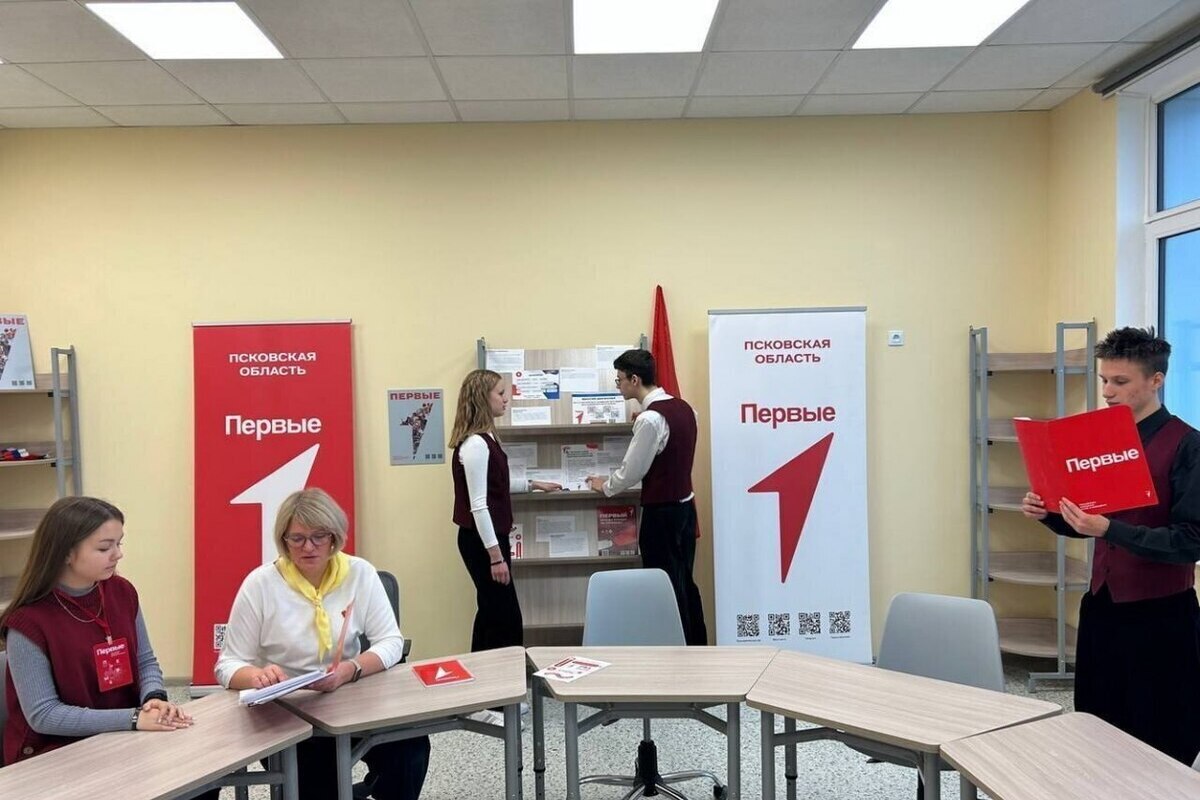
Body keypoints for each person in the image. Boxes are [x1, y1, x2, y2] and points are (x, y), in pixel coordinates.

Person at [1021, 326, 1200, 765]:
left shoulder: (1187, 444)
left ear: (1156, 380)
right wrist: (1050, 515)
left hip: (1162, 614)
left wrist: (1109, 530)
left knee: (1161, 735)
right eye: (1104, 380)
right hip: (1102, 607)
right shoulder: (1100, 438)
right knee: (1097, 726)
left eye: (1120, 381)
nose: (1107, 391)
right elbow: (1089, 524)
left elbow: (1190, 541)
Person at [215, 488, 429, 800]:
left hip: (349, 701)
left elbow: (391, 642)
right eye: (297, 538)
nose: (308, 547)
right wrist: (258, 676)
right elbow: (227, 665)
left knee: (410, 747)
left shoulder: (359, 574)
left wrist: (349, 670)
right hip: (287, 713)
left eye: (319, 536)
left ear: (334, 537)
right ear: (284, 540)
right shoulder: (260, 585)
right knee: (319, 782)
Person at [1, 497, 213, 798]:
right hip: (56, 752)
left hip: (121, 736)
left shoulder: (121, 592)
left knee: (202, 781)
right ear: (66, 553)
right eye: (104, 548)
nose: (118, 554)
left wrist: (153, 698)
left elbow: (145, 661)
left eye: (119, 543)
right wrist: (133, 719)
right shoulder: (27, 622)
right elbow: (44, 715)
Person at [586, 349, 708, 646]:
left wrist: (605, 486)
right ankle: (695, 645)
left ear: (634, 379)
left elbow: (632, 471)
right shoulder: (685, 409)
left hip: (661, 514)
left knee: (662, 586)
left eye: (620, 380)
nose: (618, 385)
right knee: (684, 581)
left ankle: (673, 650)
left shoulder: (650, 420)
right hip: (685, 509)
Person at [449, 370, 560, 663]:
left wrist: (533, 484)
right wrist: (496, 557)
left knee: (490, 613)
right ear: (482, 398)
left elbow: (494, 484)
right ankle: (503, 684)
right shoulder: (476, 444)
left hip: (487, 540)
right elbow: (478, 505)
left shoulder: (487, 438)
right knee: (506, 618)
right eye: (499, 393)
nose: (505, 399)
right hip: (482, 542)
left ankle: (482, 678)